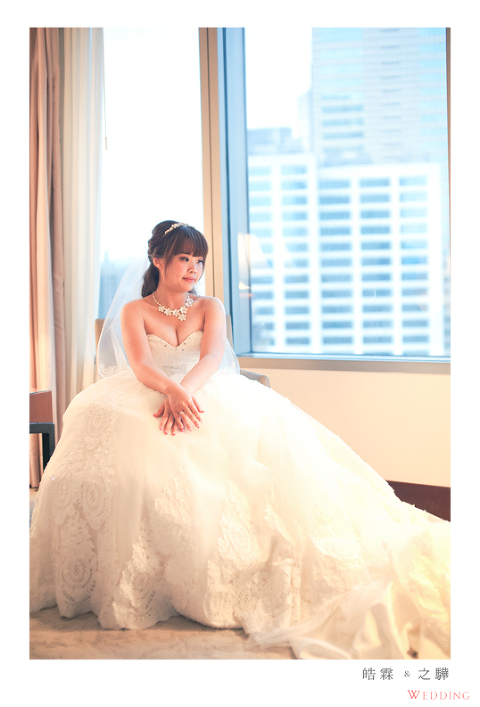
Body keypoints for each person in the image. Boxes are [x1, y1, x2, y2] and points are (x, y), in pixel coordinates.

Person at [30, 220, 450, 660]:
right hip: (151, 390)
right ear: (157, 260)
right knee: (124, 436)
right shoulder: (135, 310)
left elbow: (212, 356)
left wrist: (184, 392)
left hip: (203, 388)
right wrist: (170, 391)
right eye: (183, 259)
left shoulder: (210, 305)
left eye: (199, 261)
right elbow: (140, 365)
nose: (193, 269)